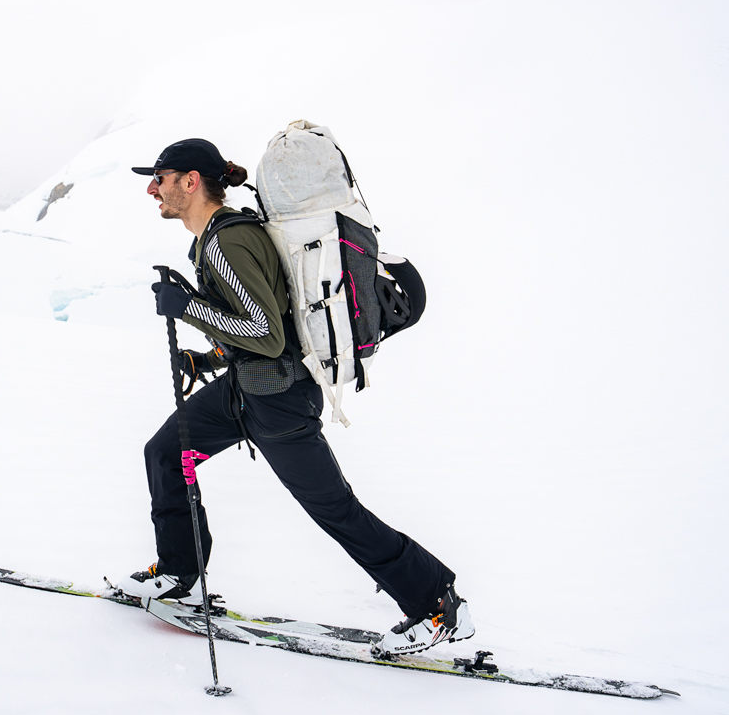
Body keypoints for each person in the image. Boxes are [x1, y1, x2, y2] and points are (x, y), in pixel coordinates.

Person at [115, 138, 474, 655]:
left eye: (161, 178)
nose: (153, 188)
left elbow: (265, 333)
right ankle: (178, 573)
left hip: (280, 403)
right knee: (165, 453)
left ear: (191, 181)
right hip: (246, 389)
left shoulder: (226, 241)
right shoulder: (219, 237)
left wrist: (187, 307)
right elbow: (273, 319)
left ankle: (435, 602)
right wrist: (209, 359)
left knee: (335, 510)